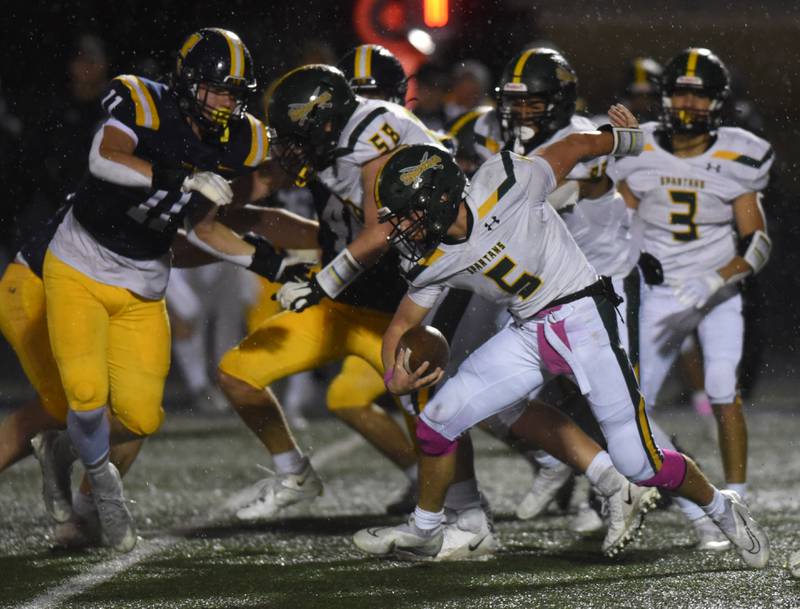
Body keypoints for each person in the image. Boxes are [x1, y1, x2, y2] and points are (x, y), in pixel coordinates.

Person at [351, 112, 770, 570]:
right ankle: (426, 528)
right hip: (528, 329)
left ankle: (721, 507)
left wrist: (621, 139)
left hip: (585, 315)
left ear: (439, 196)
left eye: (409, 212)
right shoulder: (429, 257)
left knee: (639, 463)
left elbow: (573, 148)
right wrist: (394, 378)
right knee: (437, 419)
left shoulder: (504, 181)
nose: (401, 228)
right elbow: (402, 322)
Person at [30, 27, 303, 553]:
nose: (225, 102)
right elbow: (104, 160)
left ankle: (63, 450)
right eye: (216, 88)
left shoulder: (241, 137)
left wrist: (274, 264)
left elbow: (203, 228)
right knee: (86, 397)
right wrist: (178, 177)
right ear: (185, 83)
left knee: (141, 416)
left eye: (234, 92)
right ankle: (105, 496)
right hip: (80, 266)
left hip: (145, 280)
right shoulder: (142, 99)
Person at [216, 64, 441, 528]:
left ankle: (464, 507)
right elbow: (265, 180)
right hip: (340, 305)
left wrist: (319, 282)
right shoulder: (327, 149)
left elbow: (380, 234)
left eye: (296, 136)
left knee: (438, 418)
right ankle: (294, 473)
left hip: (401, 309)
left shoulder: (380, 140)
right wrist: (209, 196)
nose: (289, 147)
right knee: (238, 373)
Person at [610, 47, 773, 550]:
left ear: (718, 101)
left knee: (722, 386)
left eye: (698, 94)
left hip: (718, 291)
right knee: (632, 407)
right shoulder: (640, 149)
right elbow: (618, 221)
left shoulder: (739, 151)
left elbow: (758, 241)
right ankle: (698, 502)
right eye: (680, 91)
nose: (687, 102)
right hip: (658, 293)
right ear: (663, 95)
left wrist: (717, 278)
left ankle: (736, 500)